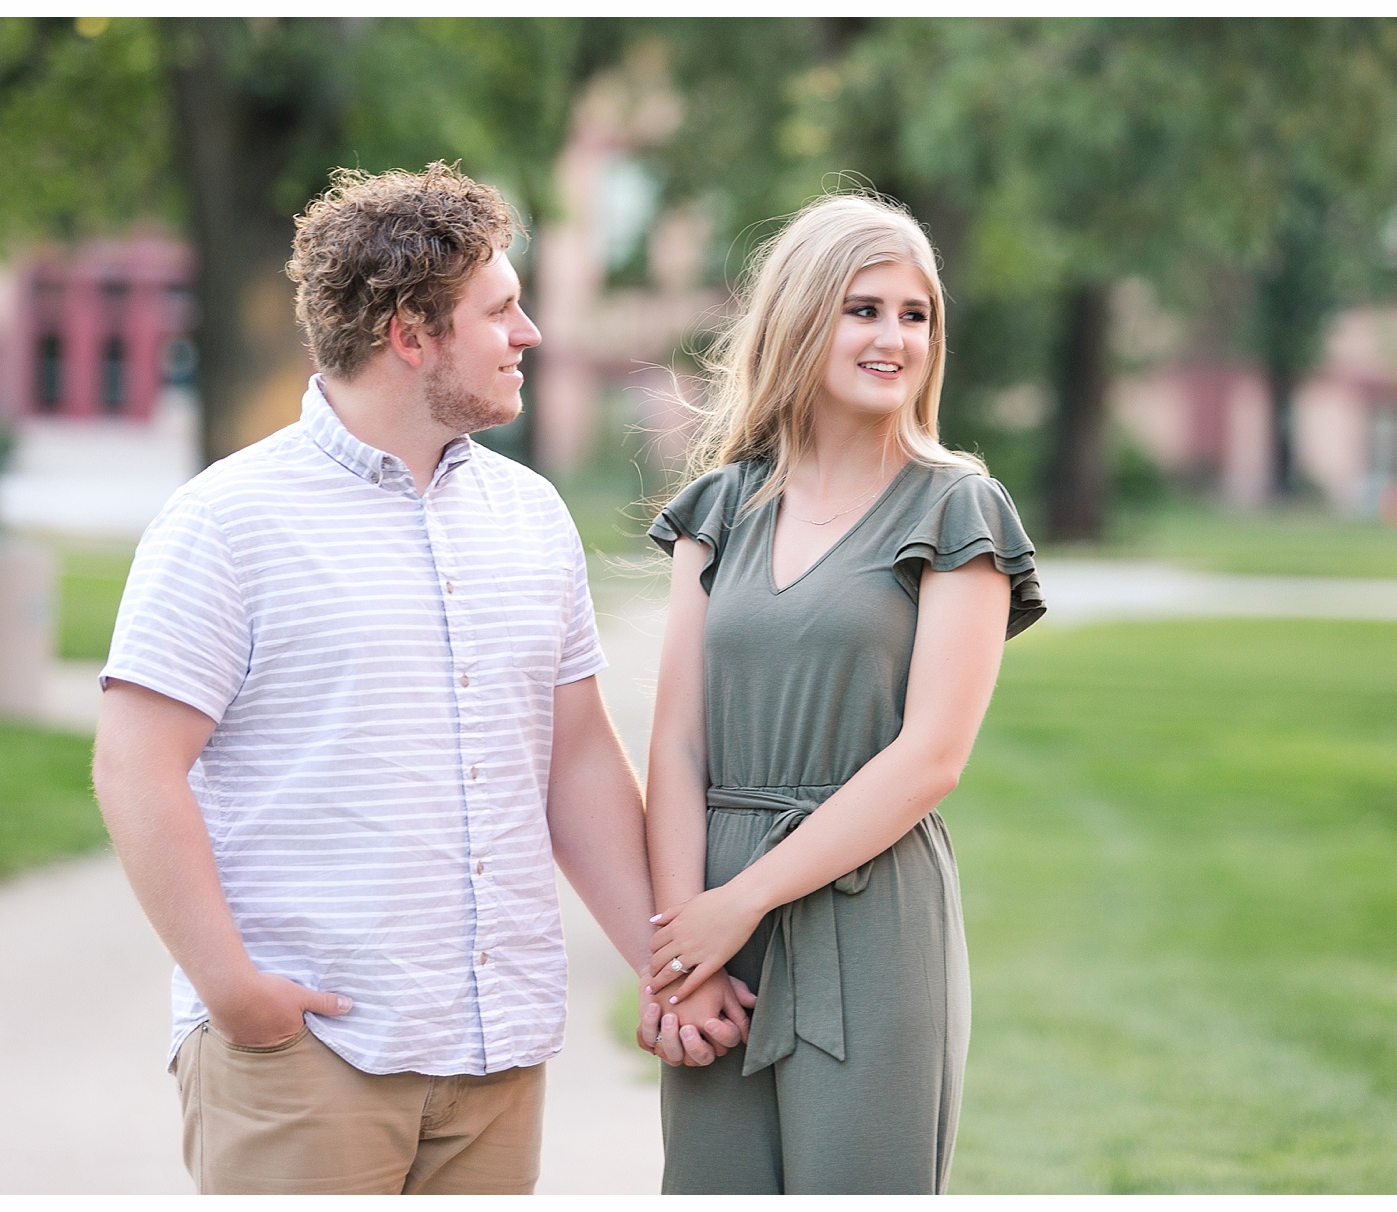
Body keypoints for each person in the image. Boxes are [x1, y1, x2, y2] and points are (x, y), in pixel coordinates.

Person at [91, 162, 748, 1196]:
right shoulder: (227, 523)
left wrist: (665, 967)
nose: (529, 333)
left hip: (495, 1056)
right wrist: (233, 990)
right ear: (411, 335)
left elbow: (574, 761)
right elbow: (136, 767)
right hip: (306, 1054)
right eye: (500, 310)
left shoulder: (531, 516)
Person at [639, 192, 1047, 1194]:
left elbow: (930, 760)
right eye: (865, 309)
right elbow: (678, 745)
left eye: (916, 316)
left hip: (868, 909)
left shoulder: (959, 508)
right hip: (714, 910)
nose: (894, 338)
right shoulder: (720, 506)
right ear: (801, 318)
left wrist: (743, 902)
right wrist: (681, 952)